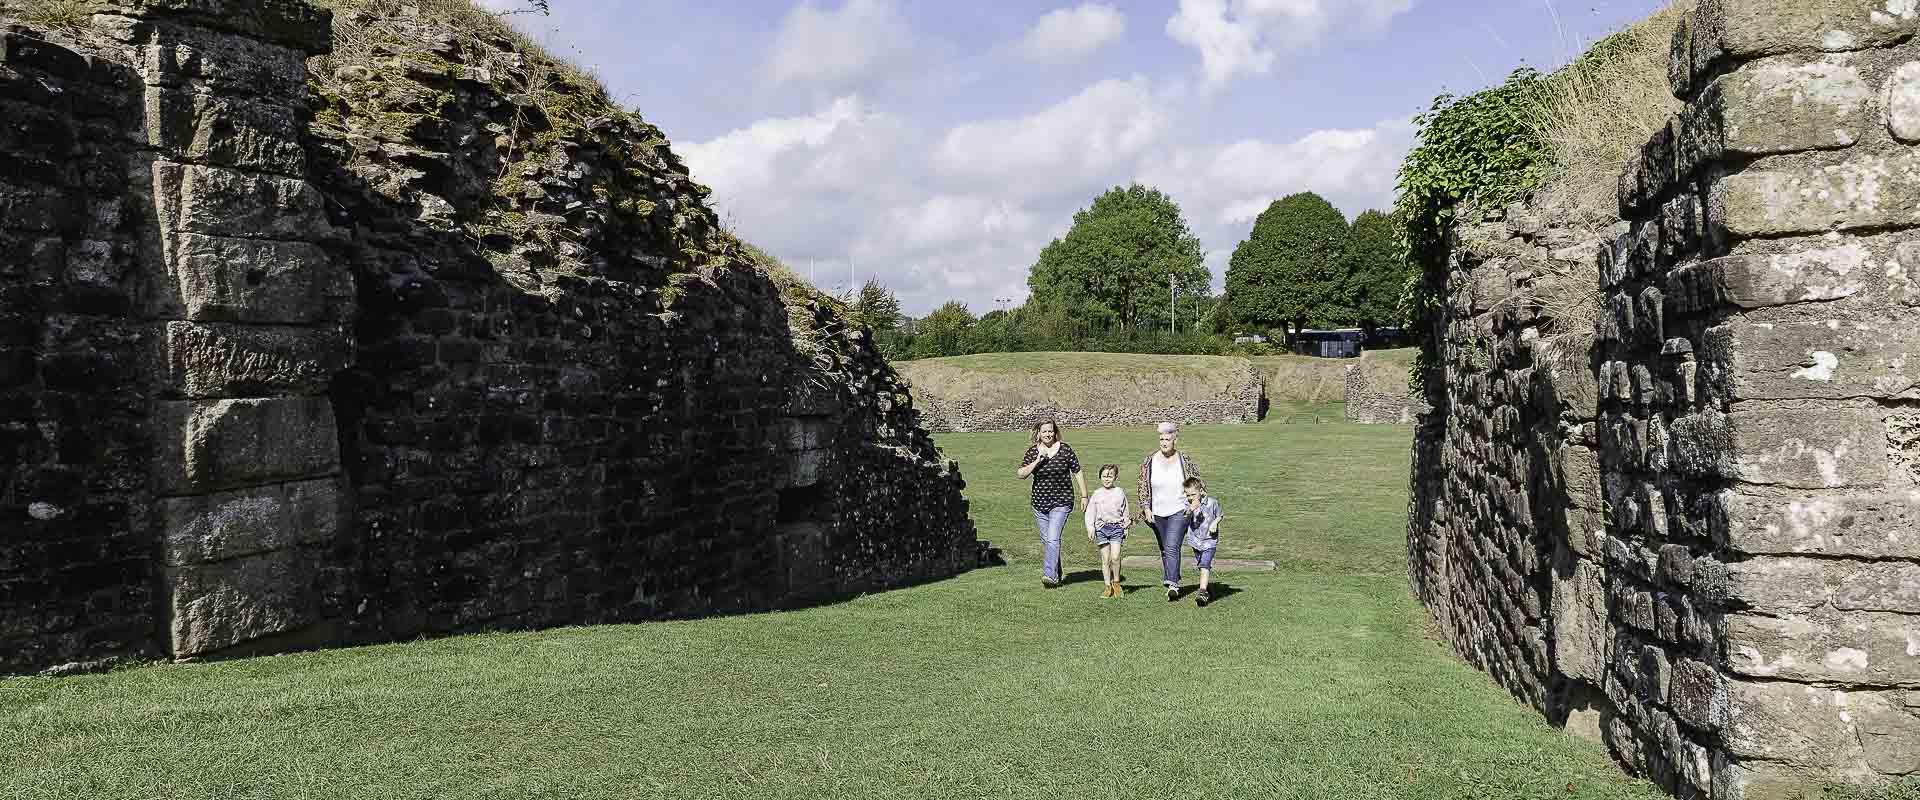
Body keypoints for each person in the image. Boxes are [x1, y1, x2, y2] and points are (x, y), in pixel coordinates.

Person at [1017, 418, 1085, 588]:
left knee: (1053, 538)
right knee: (1048, 541)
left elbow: (1077, 471)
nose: (1047, 434)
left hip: (1061, 502)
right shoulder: (1033, 452)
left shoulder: (1065, 450)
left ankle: (1049, 575)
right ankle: (1057, 574)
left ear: (1055, 432)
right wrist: (1037, 461)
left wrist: (1084, 496)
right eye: (1044, 431)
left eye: (1050, 431)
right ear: (1038, 433)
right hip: (1039, 504)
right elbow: (1021, 474)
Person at [1137, 421, 1200, 602]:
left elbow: (1198, 483)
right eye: (1161, 439)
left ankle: (1172, 583)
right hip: (1157, 512)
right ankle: (1173, 576)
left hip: (1180, 510)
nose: (1164, 442)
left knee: (1172, 545)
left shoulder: (1184, 460)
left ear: (1175, 440)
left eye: (1168, 439)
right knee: (1165, 548)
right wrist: (1146, 507)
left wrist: (1194, 503)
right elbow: (1142, 484)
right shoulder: (1150, 460)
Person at [1083, 464, 1131, 599]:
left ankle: (1116, 583)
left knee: (1115, 557)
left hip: (1117, 528)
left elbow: (1125, 511)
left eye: (1110, 476)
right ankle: (1107, 586)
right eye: (1104, 476)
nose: (1107, 479)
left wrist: (1126, 527)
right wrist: (1090, 528)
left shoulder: (1119, 492)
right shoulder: (1097, 494)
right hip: (1102, 528)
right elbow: (1090, 512)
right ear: (1100, 477)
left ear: (1115, 477)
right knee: (1105, 559)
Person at [1182, 477, 1223, 607]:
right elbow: (1183, 518)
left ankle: (1202, 592)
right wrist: (1190, 509)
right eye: (1188, 495)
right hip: (1195, 541)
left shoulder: (1212, 503)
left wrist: (1215, 524)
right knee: (1201, 565)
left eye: (1193, 494)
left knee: (1204, 565)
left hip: (1210, 541)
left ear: (1201, 491)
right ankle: (1207, 588)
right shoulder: (1187, 505)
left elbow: (1220, 515)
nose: (1190, 497)